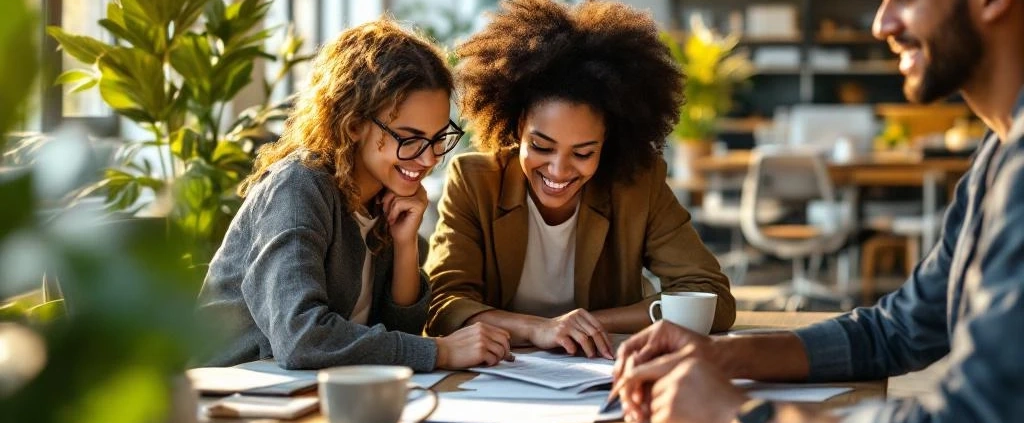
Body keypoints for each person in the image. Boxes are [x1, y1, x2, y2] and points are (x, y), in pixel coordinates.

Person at [612, 0, 1024, 421]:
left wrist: (740, 413)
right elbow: (896, 330)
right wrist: (724, 354)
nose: (883, 24)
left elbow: (977, 413)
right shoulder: (999, 152)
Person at [196, 18, 513, 372]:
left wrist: (405, 244)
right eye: (409, 138)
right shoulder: (298, 187)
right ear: (353, 124)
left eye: (438, 138)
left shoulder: (383, 196)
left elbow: (397, 334)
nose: (429, 158)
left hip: (315, 393)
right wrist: (441, 352)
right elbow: (302, 338)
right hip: (235, 397)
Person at [424, 0, 736, 360]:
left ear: (608, 140)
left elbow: (712, 297)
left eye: (584, 153)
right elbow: (443, 307)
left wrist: (588, 325)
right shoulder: (474, 183)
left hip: (603, 374)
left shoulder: (636, 185)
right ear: (518, 125)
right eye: (542, 146)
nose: (558, 170)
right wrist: (539, 329)